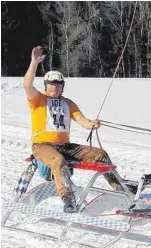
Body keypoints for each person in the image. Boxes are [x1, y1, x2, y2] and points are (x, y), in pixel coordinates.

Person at [24, 46, 120, 213]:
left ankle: (120, 189)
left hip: (65, 146)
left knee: (100, 154)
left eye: (58, 84)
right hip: (42, 146)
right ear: (46, 86)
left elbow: (82, 120)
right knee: (58, 161)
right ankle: (68, 199)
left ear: (62, 87)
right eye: (51, 84)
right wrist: (34, 63)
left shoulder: (68, 103)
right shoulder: (38, 100)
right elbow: (27, 85)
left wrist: (91, 124)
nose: (55, 87)